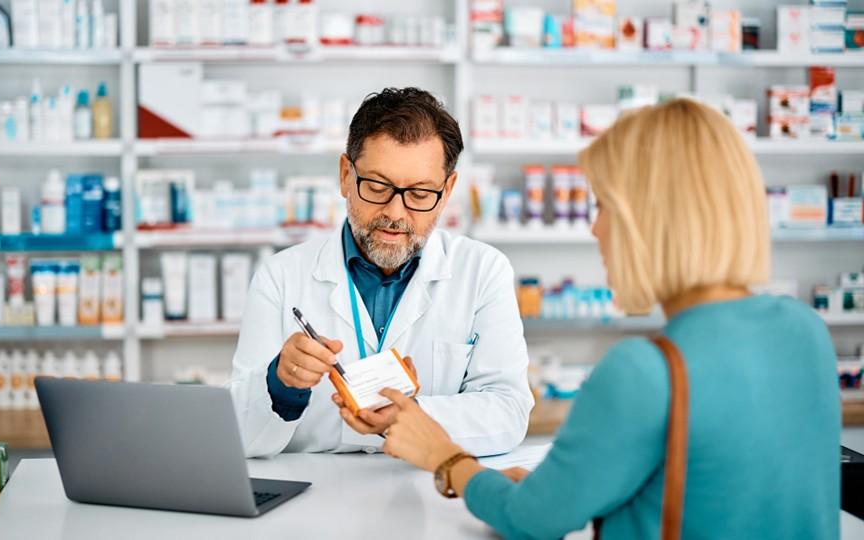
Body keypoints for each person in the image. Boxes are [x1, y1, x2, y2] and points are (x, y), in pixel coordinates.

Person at [379, 98, 841, 539]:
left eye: (603, 206)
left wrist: (447, 459)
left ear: (651, 220)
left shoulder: (645, 371)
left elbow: (532, 522)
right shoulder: (805, 331)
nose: (594, 227)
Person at [228, 87, 534, 458]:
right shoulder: (280, 276)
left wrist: (409, 418)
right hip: (316, 494)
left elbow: (508, 411)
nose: (396, 213)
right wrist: (281, 383)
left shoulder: (483, 271)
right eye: (376, 186)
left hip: (426, 490)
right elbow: (240, 433)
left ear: (448, 189)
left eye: (420, 194)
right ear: (345, 175)